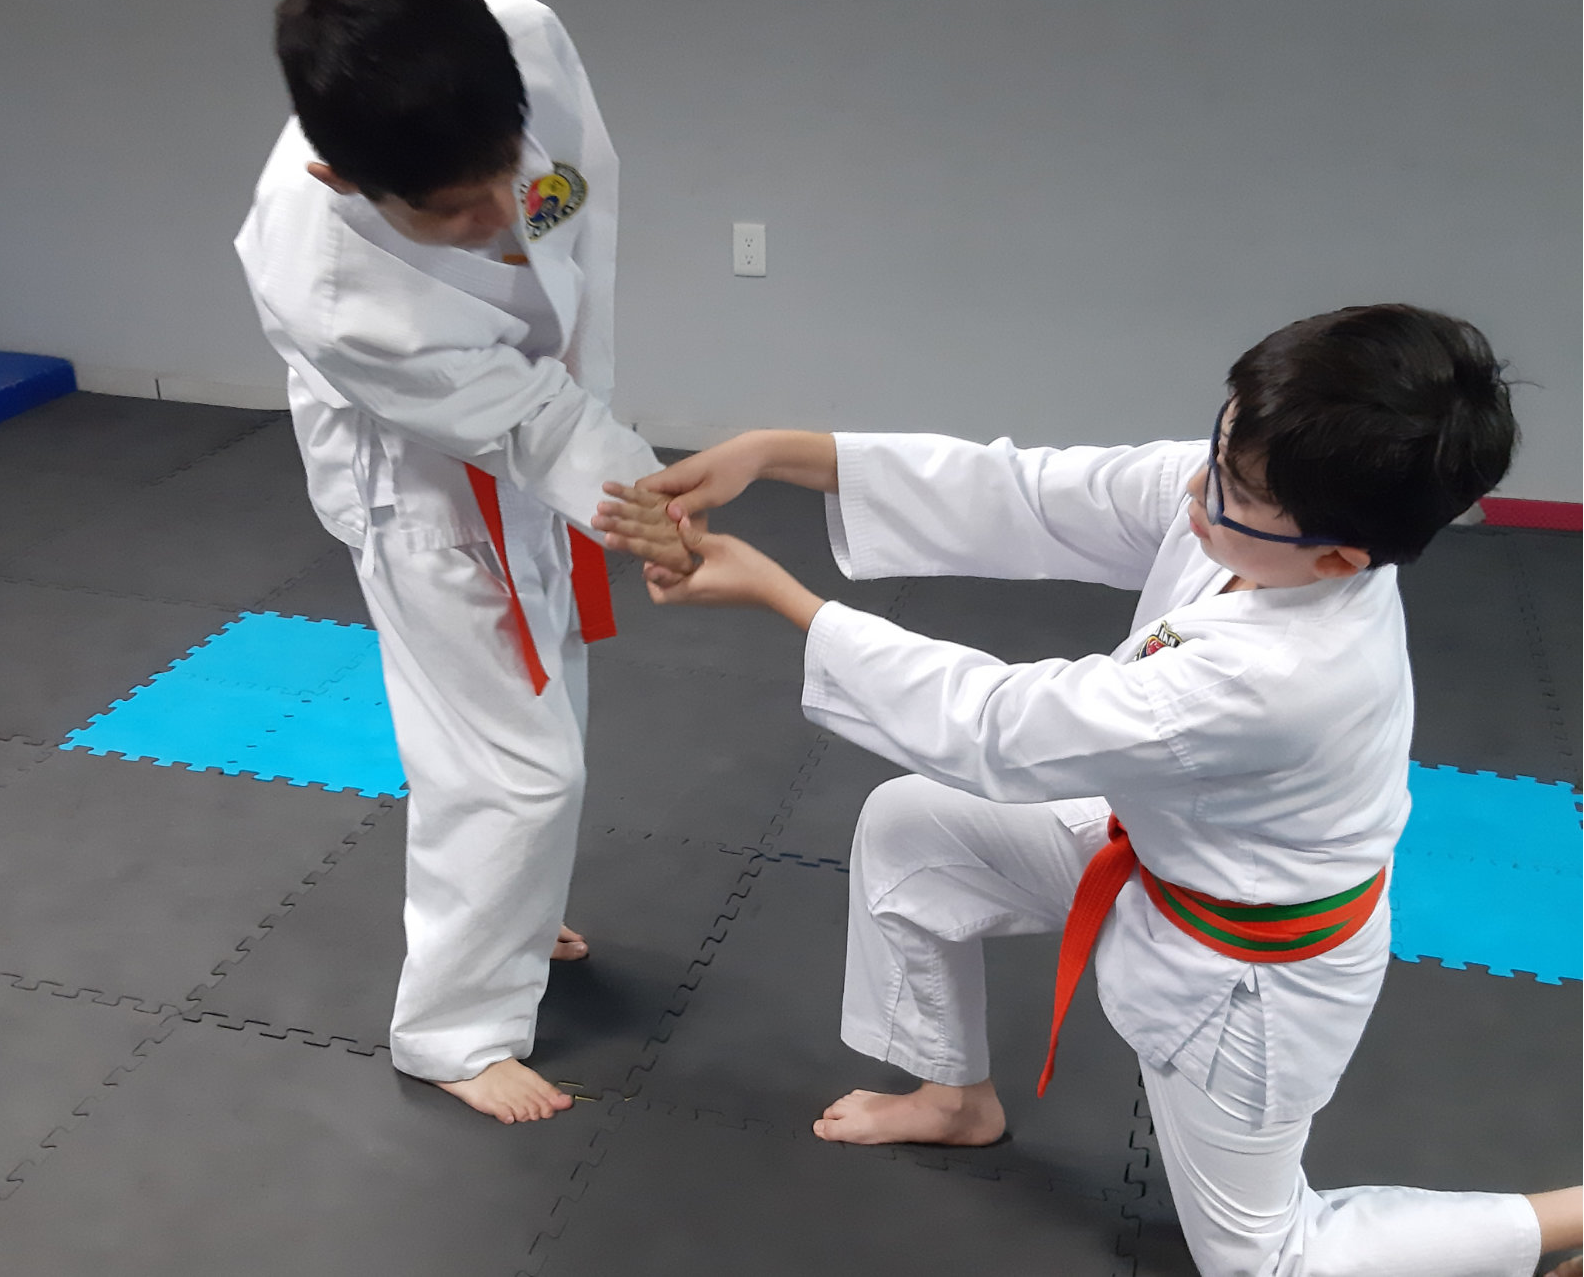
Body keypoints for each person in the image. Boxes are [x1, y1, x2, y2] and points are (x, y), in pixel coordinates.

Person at [596, 304, 1582, 1275]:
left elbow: (1001, 724)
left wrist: (784, 597)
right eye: (1220, 445)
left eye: (1233, 490)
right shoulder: (1263, 503)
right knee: (912, 831)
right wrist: (774, 450)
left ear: (1337, 557)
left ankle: (1567, 1217)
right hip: (1165, 842)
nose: (1196, 493)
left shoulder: (1279, 672)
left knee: (1266, 1260)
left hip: (1247, 965)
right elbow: (1022, 492)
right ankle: (955, 1096)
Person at [235, 0, 685, 1124]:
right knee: (512, 768)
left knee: (554, 711)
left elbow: (580, 209)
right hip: (420, 483)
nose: (497, 213)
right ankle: (449, 1029)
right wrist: (646, 506)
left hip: (540, 410)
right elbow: (520, 422)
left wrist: (610, 448)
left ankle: (514, 912)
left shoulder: (511, 36)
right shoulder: (324, 278)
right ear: (346, 179)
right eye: (453, 207)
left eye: (502, 170)